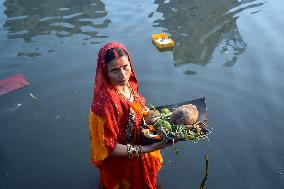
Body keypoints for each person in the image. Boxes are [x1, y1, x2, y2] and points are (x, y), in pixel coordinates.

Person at [89, 42, 172, 189]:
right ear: (105, 72)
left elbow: (137, 108)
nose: (123, 75)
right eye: (114, 70)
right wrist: (148, 149)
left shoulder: (129, 83)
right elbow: (108, 149)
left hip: (140, 145)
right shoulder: (104, 104)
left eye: (125, 67)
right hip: (121, 164)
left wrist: (157, 118)